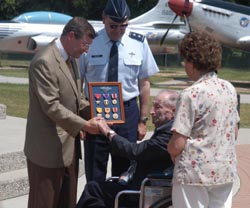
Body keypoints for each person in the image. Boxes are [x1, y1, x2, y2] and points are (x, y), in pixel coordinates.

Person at [80, 0, 159, 183]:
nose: (118, 31)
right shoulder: (91, 43)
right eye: (113, 26)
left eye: (123, 26)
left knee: (125, 173)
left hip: (128, 113)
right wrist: (81, 121)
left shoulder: (138, 43)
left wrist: (142, 120)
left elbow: (144, 84)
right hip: (95, 111)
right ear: (103, 19)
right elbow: (79, 81)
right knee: (94, 171)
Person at [24, 17, 100, 208]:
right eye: (85, 44)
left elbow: (76, 99)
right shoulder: (44, 62)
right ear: (71, 36)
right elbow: (51, 106)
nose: (86, 50)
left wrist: (99, 112)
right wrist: (84, 125)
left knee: (67, 203)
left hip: (69, 149)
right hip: (46, 151)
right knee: (44, 203)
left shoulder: (71, 59)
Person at [167, 32, 240, 208]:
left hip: (193, 174)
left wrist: (171, 151)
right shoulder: (229, 89)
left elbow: (178, 142)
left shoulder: (191, 94)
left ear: (192, 62)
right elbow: (234, 131)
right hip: (224, 170)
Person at [75, 90, 178, 208]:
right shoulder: (167, 129)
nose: (151, 111)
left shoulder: (169, 135)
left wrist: (108, 131)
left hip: (145, 191)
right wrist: (129, 173)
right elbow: (146, 154)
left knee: (93, 190)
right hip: (139, 184)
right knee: (95, 190)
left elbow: (136, 151)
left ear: (174, 112)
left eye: (157, 107)